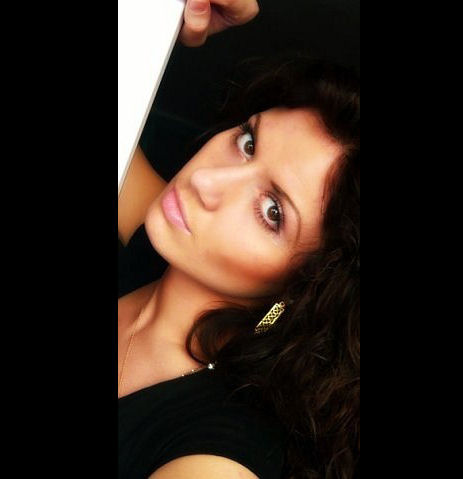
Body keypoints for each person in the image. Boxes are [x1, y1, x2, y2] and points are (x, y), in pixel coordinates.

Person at [118, 1, 360, 478]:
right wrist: (155, 16)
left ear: (309, 288)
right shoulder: (161, 237)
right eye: (248, 143)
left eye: (272, 212)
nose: (206, 182)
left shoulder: (219, 451)